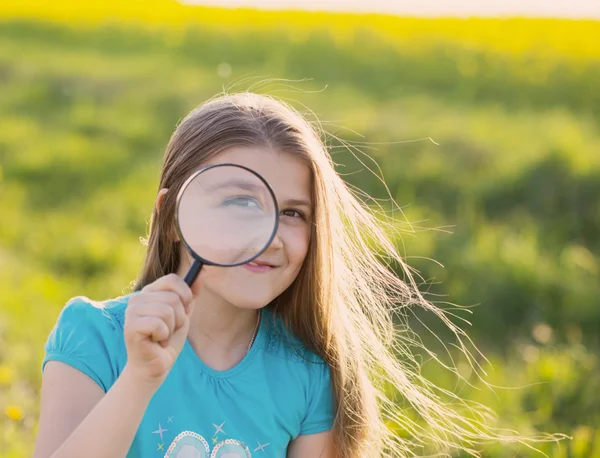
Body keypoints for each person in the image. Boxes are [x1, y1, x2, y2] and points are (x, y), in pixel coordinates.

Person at [34, 92, 533, 458]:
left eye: (293, 213)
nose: (269, 233)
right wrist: (140, 379)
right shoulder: (93, 338)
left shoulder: (308, 375)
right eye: (240, 202)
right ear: (173, 219)